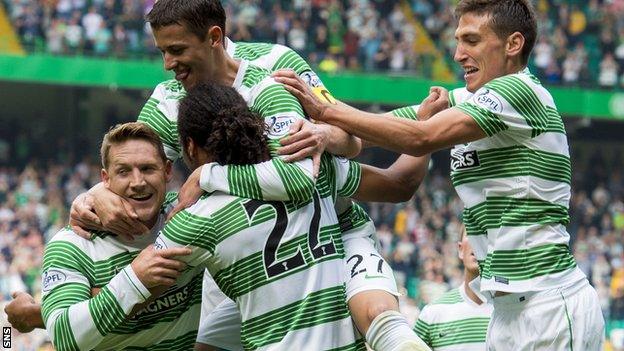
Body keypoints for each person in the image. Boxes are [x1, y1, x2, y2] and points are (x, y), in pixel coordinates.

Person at [65, 0, 435, 349]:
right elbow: (131, 162)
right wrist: (93, 196)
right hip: (238, 252)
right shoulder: (167, 101)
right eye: (162, 51)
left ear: (213, 37)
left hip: (328, 226)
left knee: (379, 318)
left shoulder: (277, 68)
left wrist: (322, 134)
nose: (167, 63)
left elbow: (347, 132)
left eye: (176, 50)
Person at [273, 0, 605, 349]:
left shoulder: (519, 90)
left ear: (513, 44)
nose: (459, 54)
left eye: (472, 41)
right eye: (458, 40)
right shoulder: (471, 99)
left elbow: (421, 137)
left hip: (547, 303)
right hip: (507, 309)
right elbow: (389, 125)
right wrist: (324, 131)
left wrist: (325, 110)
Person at [40, 122, 199, 350]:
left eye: (147, 169)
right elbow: (64, 337)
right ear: (105, 179)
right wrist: (135, 279)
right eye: (123, 171)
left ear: (167, 171)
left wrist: (205, 173)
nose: (138, 182)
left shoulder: (188, 214)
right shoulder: (71, 244)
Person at [414, 227, 492, 350]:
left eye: (485, 233)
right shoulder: (432, 314)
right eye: (472, 232)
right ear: (460, 249)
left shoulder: (514, 312)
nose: (478, 240)